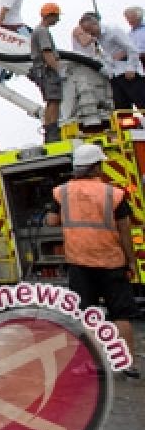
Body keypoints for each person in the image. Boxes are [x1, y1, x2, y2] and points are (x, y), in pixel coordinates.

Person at [45, 143, 140, 379]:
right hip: (111, 262)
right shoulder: (114, 194)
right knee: (121, 314)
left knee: (87, 314)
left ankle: (92, 363)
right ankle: (126, 364)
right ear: (96, 167)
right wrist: (131, 261)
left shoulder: (61, 193)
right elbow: (125, 231)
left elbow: (52, 221)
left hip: (79, 263)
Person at [71, 11, 143, 110]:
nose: (89, 34)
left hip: (128, 72)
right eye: (86, 32)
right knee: (122, 108)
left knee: (141, 102)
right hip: (114, 75)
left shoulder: (113, 30)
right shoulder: (97, 38)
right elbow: (106, 55)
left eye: (89, 30)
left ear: (95, 24)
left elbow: (132, 48)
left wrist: (131, 68)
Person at [0, 0, 39, 82]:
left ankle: (14, 68)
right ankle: (7, 71)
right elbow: (3, 10)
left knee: (34, 40)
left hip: (17, 23)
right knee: (30, 42)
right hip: (10, 25)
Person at [29, 2, 64, 143]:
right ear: (50, 15)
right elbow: (47, 53)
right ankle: (52, 133)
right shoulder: (42, 31)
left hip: (41, 71)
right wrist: (59, 70)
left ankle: (50, 132)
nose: (58, 20)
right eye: (56, 16)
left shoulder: (38, 30)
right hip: (47, 71)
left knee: (51, 101)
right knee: (54, 100)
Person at [126, 5, 145, 70]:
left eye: (129, 17)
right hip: (134, 64)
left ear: (138, 17)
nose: (127, 20)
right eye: (127, 18)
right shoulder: (129, 34)